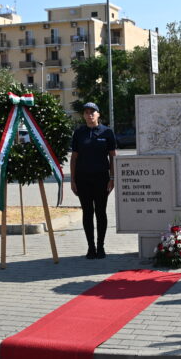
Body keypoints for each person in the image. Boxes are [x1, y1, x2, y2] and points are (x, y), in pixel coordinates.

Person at [70, 102, 117, 259]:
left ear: (98, 115)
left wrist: (112, 177)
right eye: (86, 112)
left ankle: (101, 247)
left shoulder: (107, 132)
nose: (89, 115)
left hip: (101, 178)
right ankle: (91, 247)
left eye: (92, 112)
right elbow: (74, 158)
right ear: (83, 115)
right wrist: (73, 180)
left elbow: (112, 157)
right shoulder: (79, 133)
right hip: (83, 179)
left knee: (101, 212)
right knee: (87, 212)